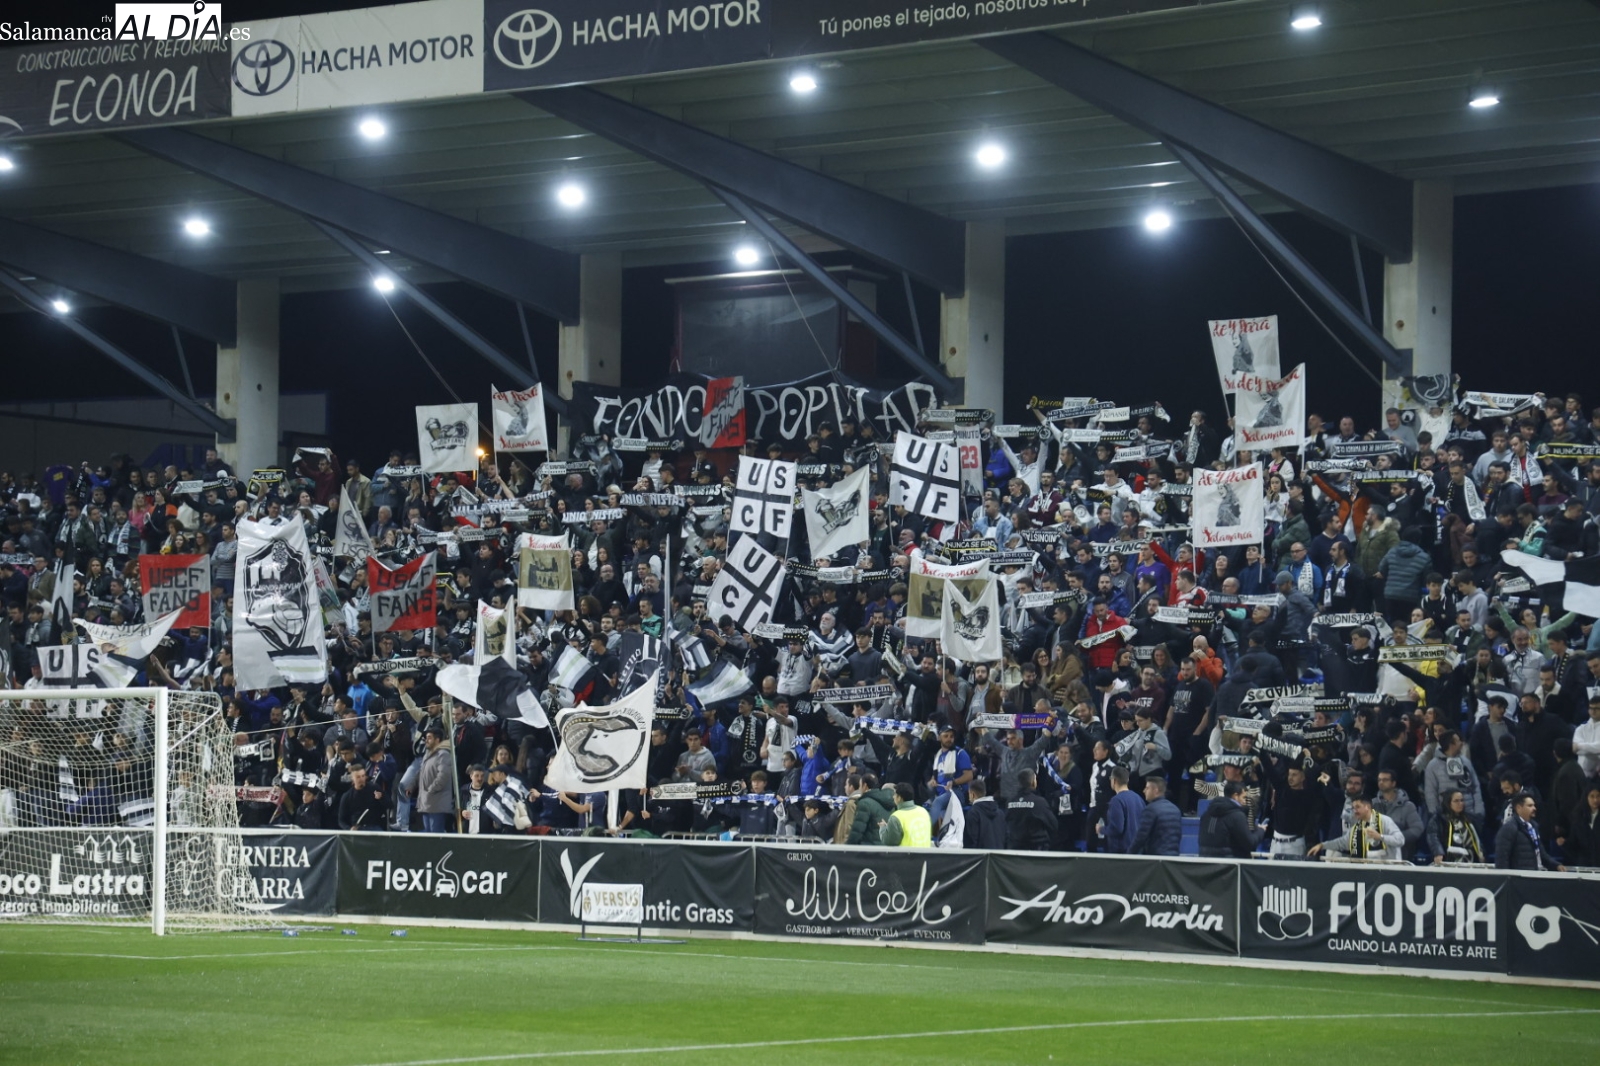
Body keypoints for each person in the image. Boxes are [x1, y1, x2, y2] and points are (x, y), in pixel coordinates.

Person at [1309, 795, 1404, 860]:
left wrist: (1380, 837)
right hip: (1368, 871)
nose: (1354, 811)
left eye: (1357, 807)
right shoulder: (1356, 827)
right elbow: (1341, 843)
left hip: (1389, 870)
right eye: (1353, 808)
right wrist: (1322, 845)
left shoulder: (1385, 821)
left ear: (1367, 807)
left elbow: (1400, 840)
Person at [1495, 792, 1565, 871]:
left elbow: (1541, 854)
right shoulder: (1509, 828)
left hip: (1535, 873)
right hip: (1520, 878)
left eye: (1534, 805)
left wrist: (1556, 865)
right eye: (1530, 806)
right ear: (1518, 808)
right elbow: (1502, 859)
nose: (1534, 808)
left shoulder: (1534, 827)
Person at [1198, 780, 1261, 857]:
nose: (1245, 802)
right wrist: (1260, 831)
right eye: (1244, 797)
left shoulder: (1206, 814)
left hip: (1205, 864)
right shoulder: (1237, 816)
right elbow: (1250, 843)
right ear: (1235, 796)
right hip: (1229, 866)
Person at [1427, 789, 1487, 864]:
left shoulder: (1470, 819)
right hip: (1449, 859)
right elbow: (1433, 837)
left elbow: (1477, 839)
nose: (1460, 803)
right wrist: (1438, 852)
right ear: (1448, 803)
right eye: (1456, 801)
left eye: (1462, 800)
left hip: (1471, 860)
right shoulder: (1438, 819)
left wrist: (1481, 853)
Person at [415, 723, 455, 834]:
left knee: (436, 835)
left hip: (437, 803)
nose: (426, 740)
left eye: (429, 738)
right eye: (426, 738)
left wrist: (430, 790)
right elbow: (421, 772)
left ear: (437, 740)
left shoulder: (443, 754)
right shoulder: (427, 754)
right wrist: (412, 785)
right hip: (427, 802)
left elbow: (443, 776)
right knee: (428, 835)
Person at [1004, 770, 1058, 851]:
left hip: (1015, 850)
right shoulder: (1039, 802)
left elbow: (1005, 823)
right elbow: (1054, 825)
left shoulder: (1010, 802)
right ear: (1033, 782)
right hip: (1037, 849)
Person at [1130, 776, 1182, 856]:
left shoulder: (1150, 809)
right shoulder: (1175, 809)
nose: (1144, 791)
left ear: (1155, 790)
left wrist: (1129, 854)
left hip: (1156, 859)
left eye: (1147, 788)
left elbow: (1141, 837)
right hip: (1173, 856)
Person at [1104, 766, 1143, 854]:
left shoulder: (1116, 801)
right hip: (1137, 850)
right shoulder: (1138, 798)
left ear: (1114, 781)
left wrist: (1102, 829)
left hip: (1121, 852)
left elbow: (1117, 829)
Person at [880, 782, 932, 847]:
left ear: (899, 798)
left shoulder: (896, 817)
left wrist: (883, 828)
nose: (893, 797)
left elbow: (890, 841)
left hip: (906, 856)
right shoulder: (924, 811)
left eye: (895, 794)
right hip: (925, 855)